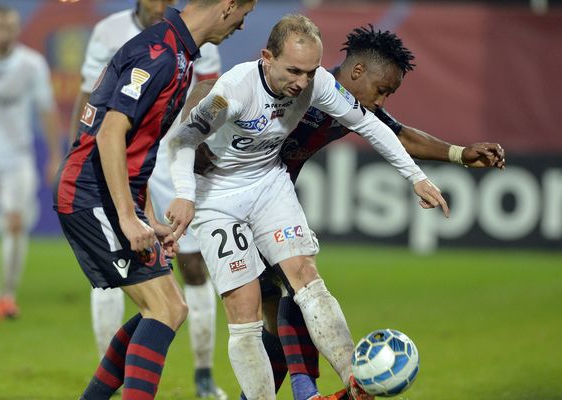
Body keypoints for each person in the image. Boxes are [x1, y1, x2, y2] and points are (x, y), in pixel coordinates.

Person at [189, 24, 506, 399]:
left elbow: (395, 133)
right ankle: (312, 392)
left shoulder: (341, 100)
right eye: (382, 89)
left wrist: (458, 154)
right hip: (227, 201)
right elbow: (214, 109)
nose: (383, 100)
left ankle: (298, 392)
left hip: (269, 201)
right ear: (357, 71)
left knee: (288, 302)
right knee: (282, 299)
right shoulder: (289, 88)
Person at [54, 1, 256, 399]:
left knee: (172, 308)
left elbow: (135, 152)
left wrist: (145, 219)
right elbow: (111, 133)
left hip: (114, 193)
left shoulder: (179, 55)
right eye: (243, 14)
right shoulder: (161, 53)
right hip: (90, 194)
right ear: (227, 6)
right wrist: (129, 219)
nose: (242, 25)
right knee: (163, 309)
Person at [0, 5, 62, 320]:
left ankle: (8, 296)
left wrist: (56, 155)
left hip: (17, 156)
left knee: (15, 222)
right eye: (0, 26)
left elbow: (47, 110)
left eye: (11, 26)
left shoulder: (31, 65)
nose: (6, 32)